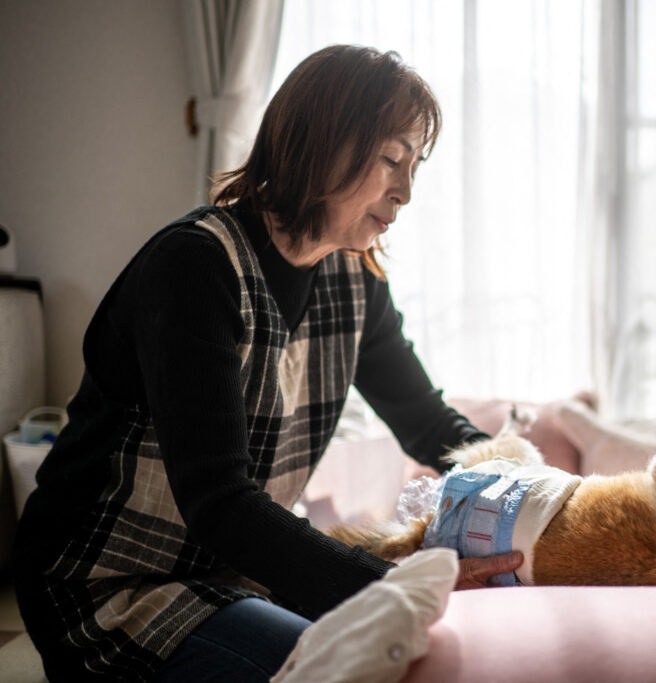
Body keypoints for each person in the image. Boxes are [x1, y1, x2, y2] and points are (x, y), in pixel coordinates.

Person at [12, 44, 522, 682]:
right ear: (322, 144)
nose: (407, 192)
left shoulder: (355, 282)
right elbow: (221, 503)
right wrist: (391, 584)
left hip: (235, 575)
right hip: (112, 586)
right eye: (393, 159)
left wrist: (539, 492)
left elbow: (427, 423)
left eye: (414, 165)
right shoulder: (195, 267)